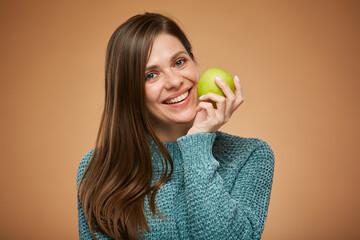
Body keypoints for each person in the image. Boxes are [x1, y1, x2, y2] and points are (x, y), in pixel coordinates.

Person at [77, 12, 274, 240]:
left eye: (179, 62)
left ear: (193, 60)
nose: (174, 82)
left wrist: (198, 140)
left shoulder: (250, 156)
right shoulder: (100, 168)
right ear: (128, 90)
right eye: (151, 75)